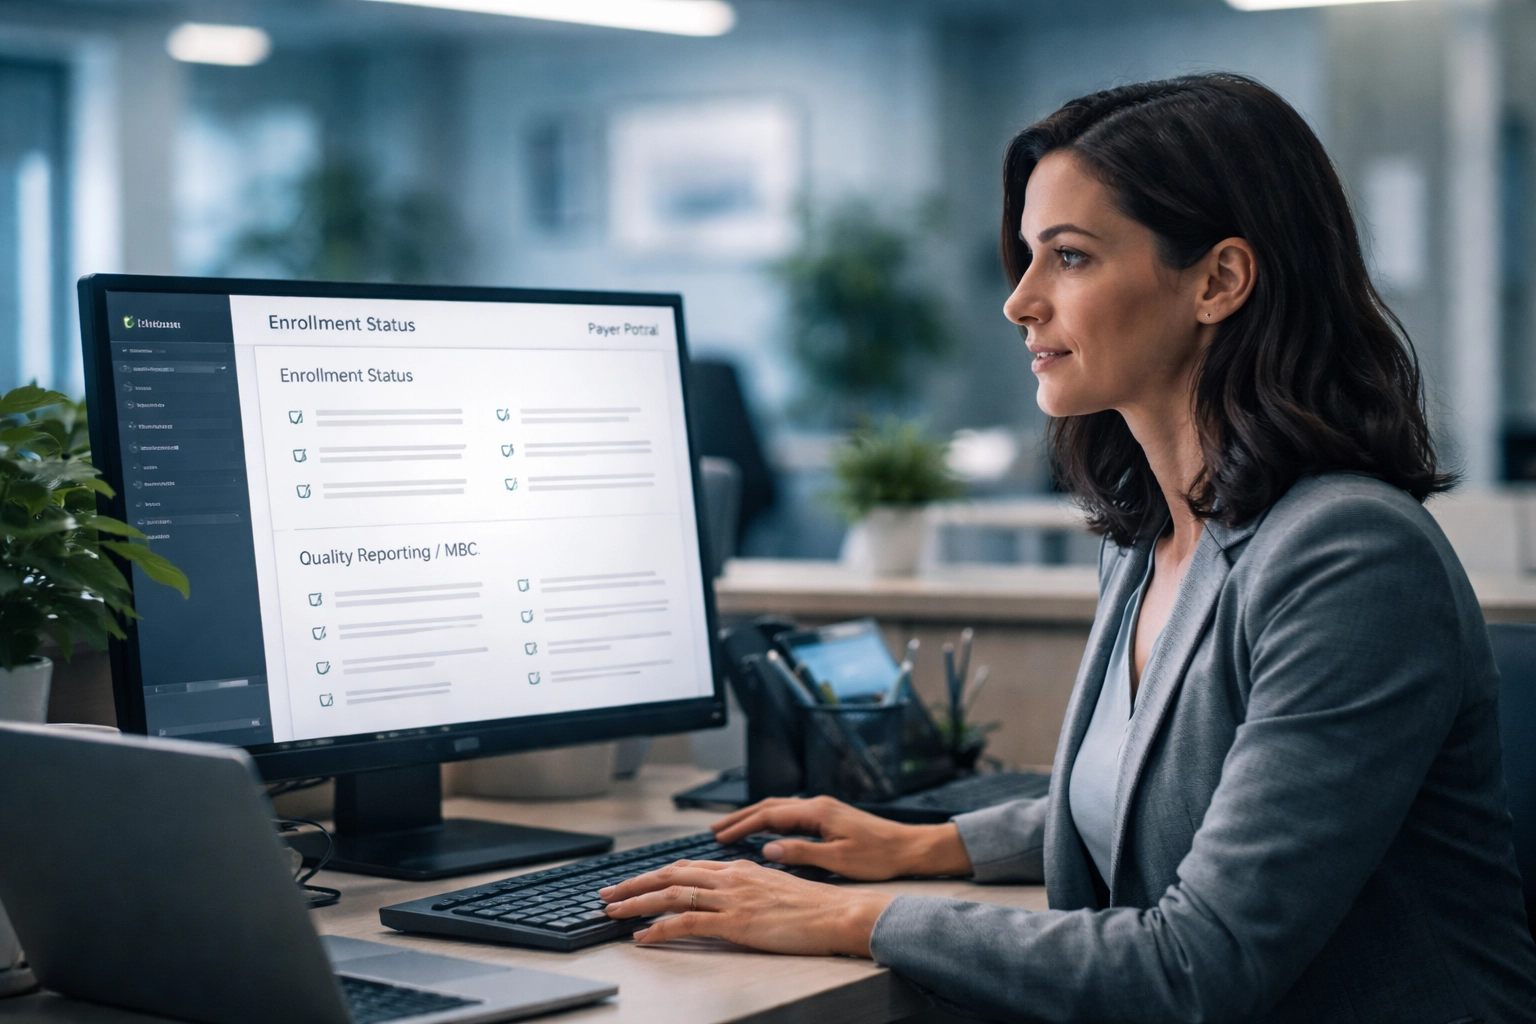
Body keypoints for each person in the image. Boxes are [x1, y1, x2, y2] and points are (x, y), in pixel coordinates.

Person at [601, 74, 1536, 1021]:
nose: (1019, 302)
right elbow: (1165, 803)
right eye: (1026, 258)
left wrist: (858, 917)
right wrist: (928, 845)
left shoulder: (1349, 556)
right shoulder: (1154, 536)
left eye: (1071, 258)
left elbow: (1194, 966)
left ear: (1219, 280)